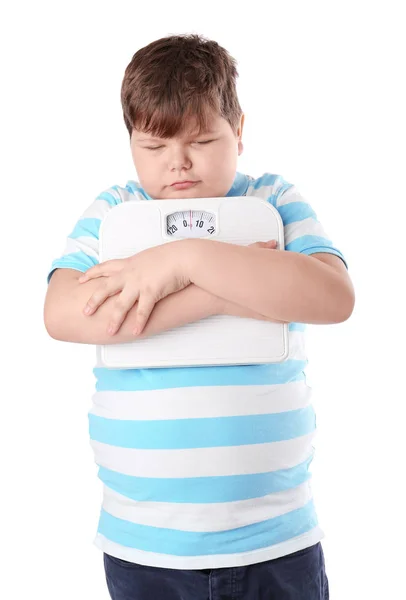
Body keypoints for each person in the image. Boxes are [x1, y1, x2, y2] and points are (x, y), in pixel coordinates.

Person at [44, 33, 355, 600]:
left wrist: (184, 260)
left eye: (203, 140)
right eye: (154, 148)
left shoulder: (276, 200)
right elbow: (64, 314)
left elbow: (334, 298)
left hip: (276, 540)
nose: (178, 164)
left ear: (239, 129)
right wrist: (220, 294)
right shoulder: (115, 211)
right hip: (146, 547)